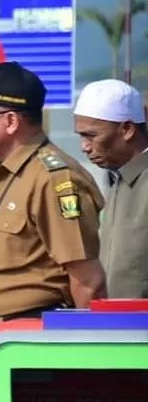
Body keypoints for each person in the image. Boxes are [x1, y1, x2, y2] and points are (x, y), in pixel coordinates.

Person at [0, 62, 107, 336]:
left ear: (10, 121)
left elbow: (87, 280)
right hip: (0, 341)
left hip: (33, 341)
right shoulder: (4, 173)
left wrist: (91, 358)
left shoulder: (53, 179)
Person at [73, 79, 148, 299]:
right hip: (114, 327)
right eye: (81, 136)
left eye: (91, 135)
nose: (84, 147)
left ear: (126, 130)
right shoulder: (117, 181)